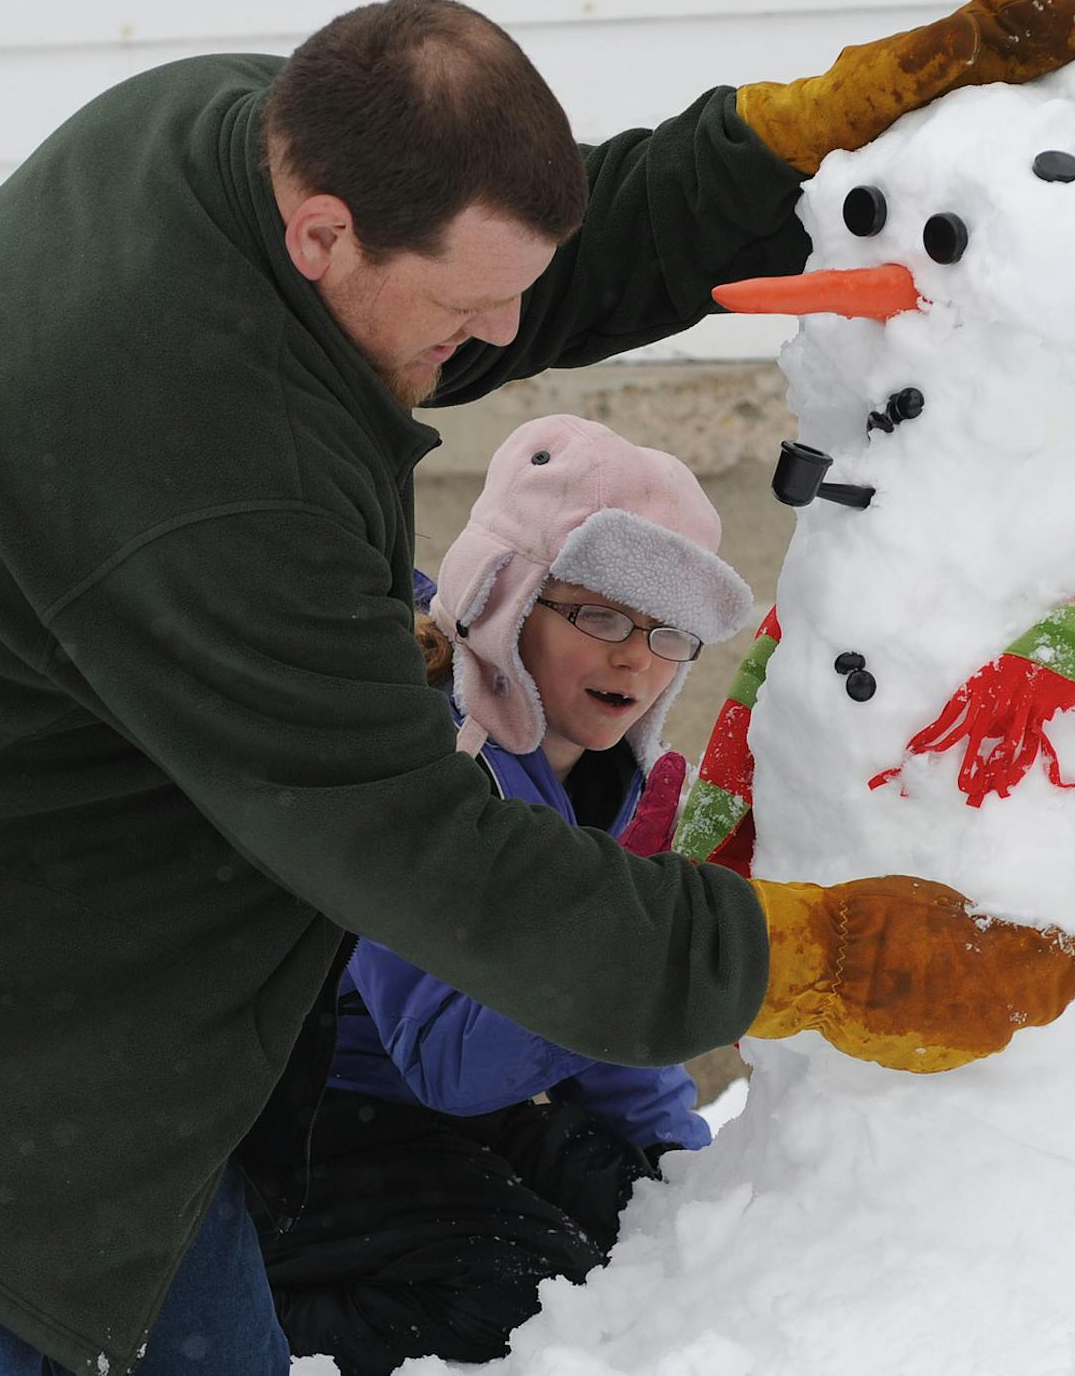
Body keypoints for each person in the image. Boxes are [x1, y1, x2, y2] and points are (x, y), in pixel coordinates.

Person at [0, 0, 1075, 1376]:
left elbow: (515, 285)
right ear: (323, 227)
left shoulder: (224, 135)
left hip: (69, 1016)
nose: (487, 347)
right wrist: (817, 960)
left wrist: (782, 140)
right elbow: (426, 852)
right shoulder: (203, 473)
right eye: (458, 318)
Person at [261, 415, 749, 1373]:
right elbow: (448, 1058)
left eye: (667, 631)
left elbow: (606, 1042)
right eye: (600, 614)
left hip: (467, 1110)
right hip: (316, 1121)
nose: (635, 659)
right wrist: (629, 946)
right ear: (508, 596)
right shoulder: (425, 763)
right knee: (517, 1291)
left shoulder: (600, 775)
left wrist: (679, 1169)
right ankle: (228, 1328)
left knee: (648, 1235)